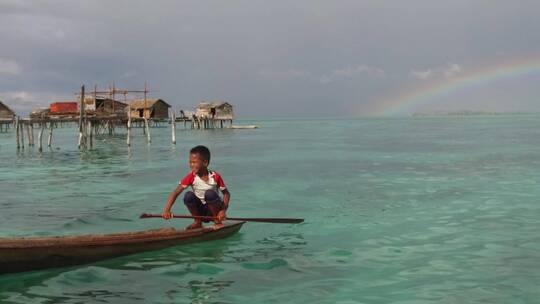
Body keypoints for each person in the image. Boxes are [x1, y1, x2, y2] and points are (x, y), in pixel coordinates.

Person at [162, 145, 230, 229]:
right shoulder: (191, 177)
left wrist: (223, 210)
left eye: (194, 162)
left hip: (214, 211)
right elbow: (175, 192)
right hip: (201, 211)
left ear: (205, 162)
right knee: (188, 195)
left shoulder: (215, 176)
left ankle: (217, 220)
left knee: (210, 194)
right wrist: (166, 210)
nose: (191, 165)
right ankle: (197, 221)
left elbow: (226, 194)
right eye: (190, 162)